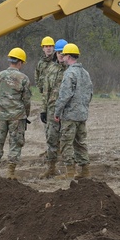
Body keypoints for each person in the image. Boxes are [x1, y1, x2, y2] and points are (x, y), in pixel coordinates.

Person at [0, 48, 32, 181]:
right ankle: (11, 173)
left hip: (0, 116)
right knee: (15, 143)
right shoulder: (23, 78)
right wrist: (25, 115)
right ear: (20, 62)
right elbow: (26, 100)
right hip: (17, 117)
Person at [54, 43, 93, 179]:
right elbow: (90, 94)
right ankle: (85, 171)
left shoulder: (69, 73)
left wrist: (57, 112)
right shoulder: (85, 73)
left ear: (68, 56)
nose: (62, 57)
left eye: (64, 55)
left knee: (66, 143)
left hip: (70, 115)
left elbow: (64, 95)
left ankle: (70, 172)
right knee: (80, 143)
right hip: (82, 114)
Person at [39, 38, 68, 177]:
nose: (61, 55)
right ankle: (51, 168)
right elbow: (46, 91)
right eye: (59, 52)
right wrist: (43, 110)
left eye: (63, 52)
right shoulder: (50, 69)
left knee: (68, 139)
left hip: (69, 111)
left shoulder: (72, 70)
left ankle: (69, 169)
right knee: (51, 138)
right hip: (52, 110)